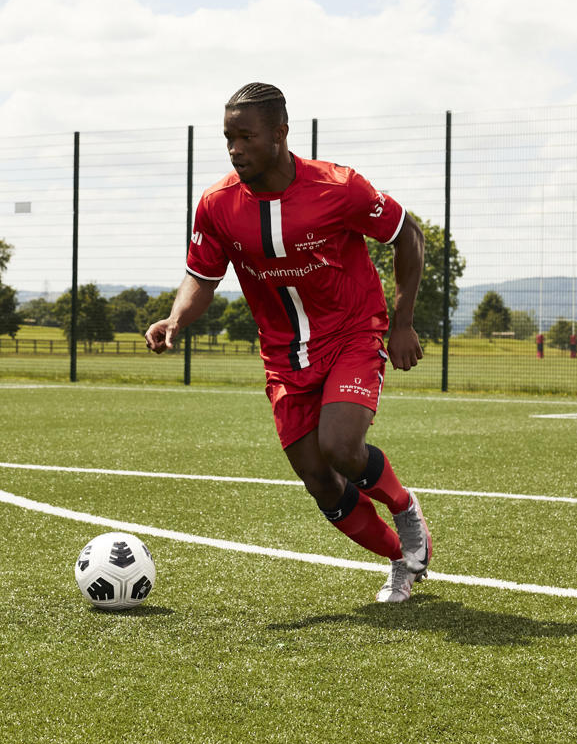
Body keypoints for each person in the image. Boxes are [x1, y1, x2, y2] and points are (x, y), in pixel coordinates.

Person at [145, 82, 432, 602]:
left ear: (280, 133)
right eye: (228, 138)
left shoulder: (339, 187)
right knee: (321, 483)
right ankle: (400, 560)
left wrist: (403, 320)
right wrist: (175, 319)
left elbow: (406, 235)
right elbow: (201, 277)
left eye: (246, 137)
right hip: (284, 356)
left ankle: (405, 508)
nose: (235, 149)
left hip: (352, 333)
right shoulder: (216, 205)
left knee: (341, 447)